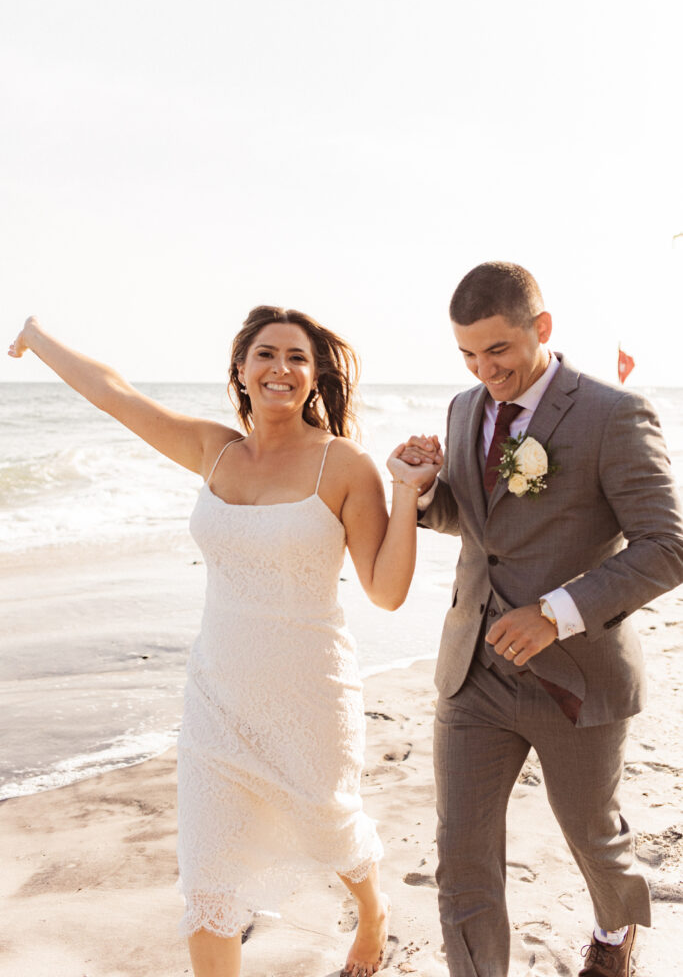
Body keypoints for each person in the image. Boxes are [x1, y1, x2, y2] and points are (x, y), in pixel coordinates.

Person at [8, 308, 442, 977]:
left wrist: (405, 493)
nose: (280, 369)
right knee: (208, 884)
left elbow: (385, 592)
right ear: (240, 371)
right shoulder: (215, 451)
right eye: (264, 354)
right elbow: (115, 394)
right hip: (216, 698)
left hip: (311, 695)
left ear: (314, 374)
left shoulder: (342, 463)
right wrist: (37, 338)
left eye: (296, 357)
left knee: (330, 829)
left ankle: (373, 910)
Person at [401, 262, 683, 977]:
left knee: (591, 836)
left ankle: (616, 934)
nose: (482, 369)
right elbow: (476, 525)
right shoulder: (464, 408)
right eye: (466, 354)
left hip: (574, 676)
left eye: (497, 350)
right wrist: (422, 490)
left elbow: (666, 546)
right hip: (472, 673)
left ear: (541, 328)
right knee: (460, 856)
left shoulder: (612, 413)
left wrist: (556, 615)